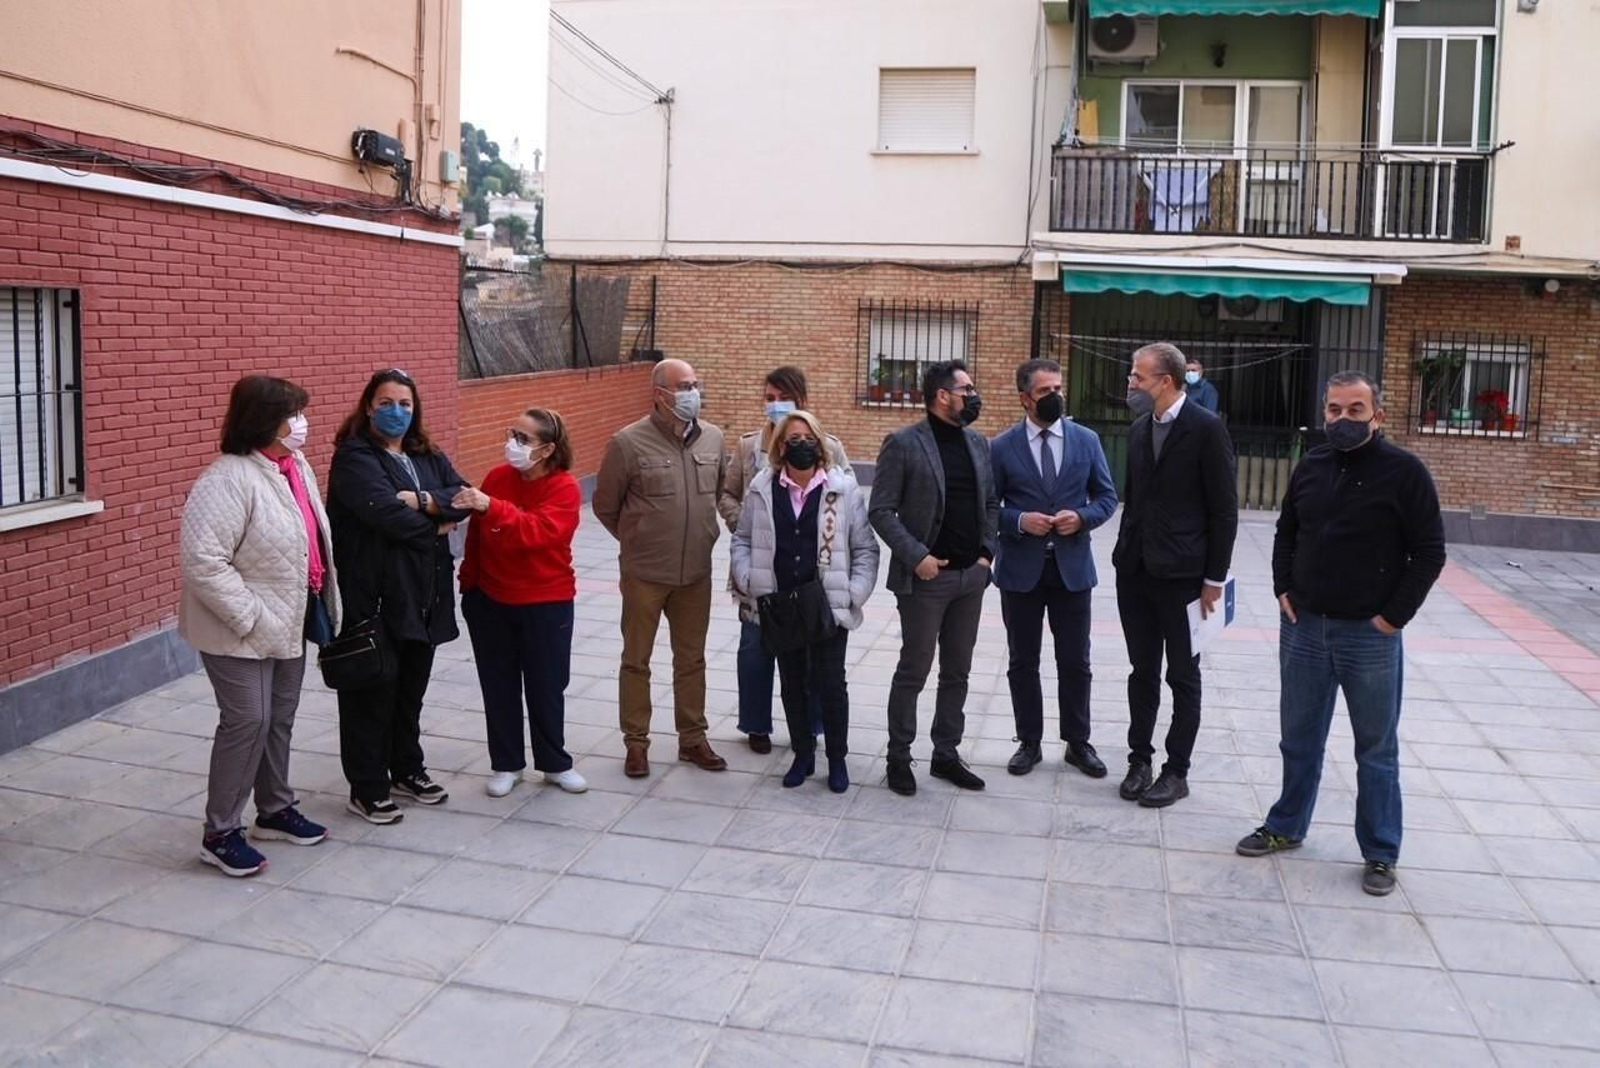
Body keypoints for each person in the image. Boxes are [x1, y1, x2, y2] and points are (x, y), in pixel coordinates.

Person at [1237, 372, 1445, 897]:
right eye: (1335, 410)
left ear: (1377, 415)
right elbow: (1288, 529)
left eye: (1356, 410)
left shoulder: (1405, 473)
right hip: (1304, 629)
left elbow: (1429, 552)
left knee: (1375, 749)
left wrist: (1391, 618)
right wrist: (1283, 586)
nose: (1343, 420)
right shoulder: (1312, 464)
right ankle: (1286, 825)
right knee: (1298, 739)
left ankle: (1380, 852)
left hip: (1369, 638)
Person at [180, 375, 338, 877]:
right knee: (247, 720)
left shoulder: (294, 468)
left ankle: (274, 809)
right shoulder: (227, 478)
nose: (302, 424)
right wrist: (249, 615)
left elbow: (309, 535)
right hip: (239, 627)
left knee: (280, 718)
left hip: (291, 618)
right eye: (292, 415)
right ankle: (220, 832)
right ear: (263, 420)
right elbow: (204, 560)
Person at [327, 368, 469, 824]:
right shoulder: (354, 457)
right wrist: (437, 521)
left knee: (410, 691)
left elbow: (463, 494)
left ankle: (406, 768)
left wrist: (423, 500)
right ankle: (366, 787)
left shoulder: (424, 453)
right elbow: (383, 514)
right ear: (368, 405)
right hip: (375, 597)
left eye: (405, 404)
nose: (396, 412)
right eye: (386, 403)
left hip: (423, 594)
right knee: (372, 693)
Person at [1112, 342, 1238, 809]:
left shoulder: (1207, 429)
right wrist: (1125, 553)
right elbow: (1135, 498)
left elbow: (1224, 510)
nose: (1131, 385)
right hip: (1136, 572)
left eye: (1137, 377)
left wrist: (1214, 578)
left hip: (1186, 577)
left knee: (1183, 675)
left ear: (1166, 381)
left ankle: (1175, 770)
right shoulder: (1140, 428)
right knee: (1141, 671)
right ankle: (1139, 760)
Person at [868, 359, 999, 797]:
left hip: (970, 579)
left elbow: (992, 504)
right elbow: (881, 510)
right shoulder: (904, 444)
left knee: (957, 671)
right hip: (926, 581)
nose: (973, 395)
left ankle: (946, 753)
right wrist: (917, 557)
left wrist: (985, 556)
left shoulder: (978, 443)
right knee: (914, 670)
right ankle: (899, 757)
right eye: (968, 388)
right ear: (943, 395)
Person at [593, 358, 729, 778]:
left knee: (692, 660)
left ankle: (693, 738)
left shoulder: (714, 439)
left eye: (695, 384)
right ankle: (636, 744)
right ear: (660, 395)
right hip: (645, 574)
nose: (693, 392)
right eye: (684, 385)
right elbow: (605, 506)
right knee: (637, 660)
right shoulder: (627, 442)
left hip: (696, 575)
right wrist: (639, 541)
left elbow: (719, 493)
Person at [731, 411, 879, 792]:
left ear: (821, 443)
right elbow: (742, 539)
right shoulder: (763, 487)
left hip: (828, 605)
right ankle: (802, 754)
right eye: (793, 438)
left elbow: (865, 548)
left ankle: (837, 760)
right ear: (781, 446)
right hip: (781, 605)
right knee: (792, 683)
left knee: (831, 684)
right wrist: (748, 579)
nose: (802, 444)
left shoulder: (841, 488)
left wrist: (853, 594)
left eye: (809, 437)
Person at [991, 359, 1118, 778]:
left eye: (1058, 388)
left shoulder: (1086, 440)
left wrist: (1082, 517)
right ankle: (1028, 741)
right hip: (1021, 571)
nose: (1055, 397)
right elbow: (988, 508)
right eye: (1046, 391)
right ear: (1025, 398)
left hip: (1071, 570)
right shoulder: (1001, 446)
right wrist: (1018, 521)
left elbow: (1106, 497)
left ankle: (1078, 742)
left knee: (1075, 661)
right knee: (1022, 661)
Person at [454, 408, 588, 799]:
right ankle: (507, 763)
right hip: (491, 600)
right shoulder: (497, 478)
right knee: (498, 684)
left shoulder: (564, 487)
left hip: (546, 602)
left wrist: (491, 507)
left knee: (547, 684)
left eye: (523, 439)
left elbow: (540, 532)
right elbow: (477, 536)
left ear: (547, 449)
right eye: (513, 433)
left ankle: (555, 763)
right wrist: (470, 587)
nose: (513, 443)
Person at [718, 366, 850, 753]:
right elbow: (727, 493)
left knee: (810, 655)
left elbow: (845, 504)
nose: (774, 405)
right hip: (760, 571)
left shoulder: (831, 446)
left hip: (809, 570)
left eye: (783, 398)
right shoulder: (747, 446)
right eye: (769, 397)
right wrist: (745, 526)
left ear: (803, 402)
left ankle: (808, 727)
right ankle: (756, 724)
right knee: (755, 649)